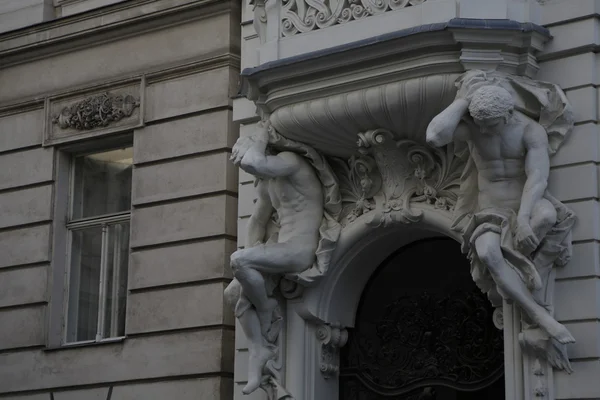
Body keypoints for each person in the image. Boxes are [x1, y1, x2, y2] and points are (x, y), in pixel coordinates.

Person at [426, 85, 575, 345]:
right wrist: (463, 103)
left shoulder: (530, 131)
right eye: (479, 123)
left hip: (524, 203)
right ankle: (537, 313)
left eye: (489, 124)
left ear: (507, 114)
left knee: (548, 216)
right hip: (490, 210)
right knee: (487, 253)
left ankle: (520, 273)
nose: (482, 130)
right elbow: (434, 136)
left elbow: (537, 178)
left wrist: (525, 220)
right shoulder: (474, 127)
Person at [225, 120, 325, 394]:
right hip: (279, 248)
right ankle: (259, 350)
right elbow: (256, 221)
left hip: (300, 249)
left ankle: (268, 309)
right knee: (235, 295)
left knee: (239, 261)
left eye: (240, 154)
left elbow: (255, 163)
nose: (240, 160)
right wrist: (248, 268)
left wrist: (258, 138)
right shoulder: (270, 184)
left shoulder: (290, 162)